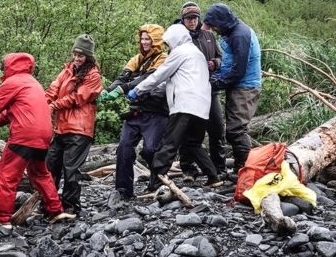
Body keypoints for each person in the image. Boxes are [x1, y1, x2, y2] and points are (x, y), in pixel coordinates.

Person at [0, 53, 76, 231]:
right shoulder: (33, 83)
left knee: (7, 174)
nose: (2, 70)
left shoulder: (12, 83)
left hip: (24, 135)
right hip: (44, 135)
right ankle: (56, 210)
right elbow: (5, 115)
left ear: (10, 66)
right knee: (40, 173)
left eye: (4, 67)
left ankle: (1, 220)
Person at [130, 24, 224, 189]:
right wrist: (150, 91)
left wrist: (137, 90)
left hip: (184, 105)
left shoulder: (180, 52)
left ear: (175, 39)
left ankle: (156, 183)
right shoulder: (198, 54)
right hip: (201, 107)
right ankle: (213, 176)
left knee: (169, 143)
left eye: (169, 43)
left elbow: (161, 74)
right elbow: (173, 80)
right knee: (192, 144)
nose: (168, 47)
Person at [96, 24, 169, 198]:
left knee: (150, 150)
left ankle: (158, 181)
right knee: (124, 149)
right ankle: (123, 190)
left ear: (156, 41)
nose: (144, 42)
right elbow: (123, 77)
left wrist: (122, 90)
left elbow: (147, 79)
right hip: (136, 112)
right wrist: (108, 90)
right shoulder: (136, 59)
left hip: (156, 112)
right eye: (142, 39)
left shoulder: (163, 59)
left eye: (148, 39)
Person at [44, 34, 102, 215]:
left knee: (71, 169)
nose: (77, 58)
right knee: (50, 165)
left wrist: (54, 105)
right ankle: (49, 205)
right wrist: (42, 105)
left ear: (88, 57)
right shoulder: (66, 71)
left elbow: (78, 98)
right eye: (75, 54)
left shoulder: (93, 77)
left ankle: (71, 206)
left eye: (81, 55)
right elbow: (52, 90)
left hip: (79, 130)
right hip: (61, 128)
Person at [201, 3, 262, 173]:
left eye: (213, 25)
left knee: (235, 130)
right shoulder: (230, 32)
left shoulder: (240, 35)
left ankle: (245, 170)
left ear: (221, 21)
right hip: (237, 85)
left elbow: (239, 70)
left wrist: (216, 84)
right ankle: (241, 169)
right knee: (235, 129)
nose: (213, 29)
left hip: (245, 86)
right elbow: (228, 62)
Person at [175, 2, 227, 182]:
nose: (192, 21)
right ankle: (188, 169)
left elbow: (221, 57)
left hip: (209, 88)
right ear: (183, 19)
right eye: (189, 18)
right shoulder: (179, 37)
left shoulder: (209, 36)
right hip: (188, 90)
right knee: (187, 129)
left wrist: (215, 63)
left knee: (217, 127)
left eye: (195, 18)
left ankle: (219, 168)